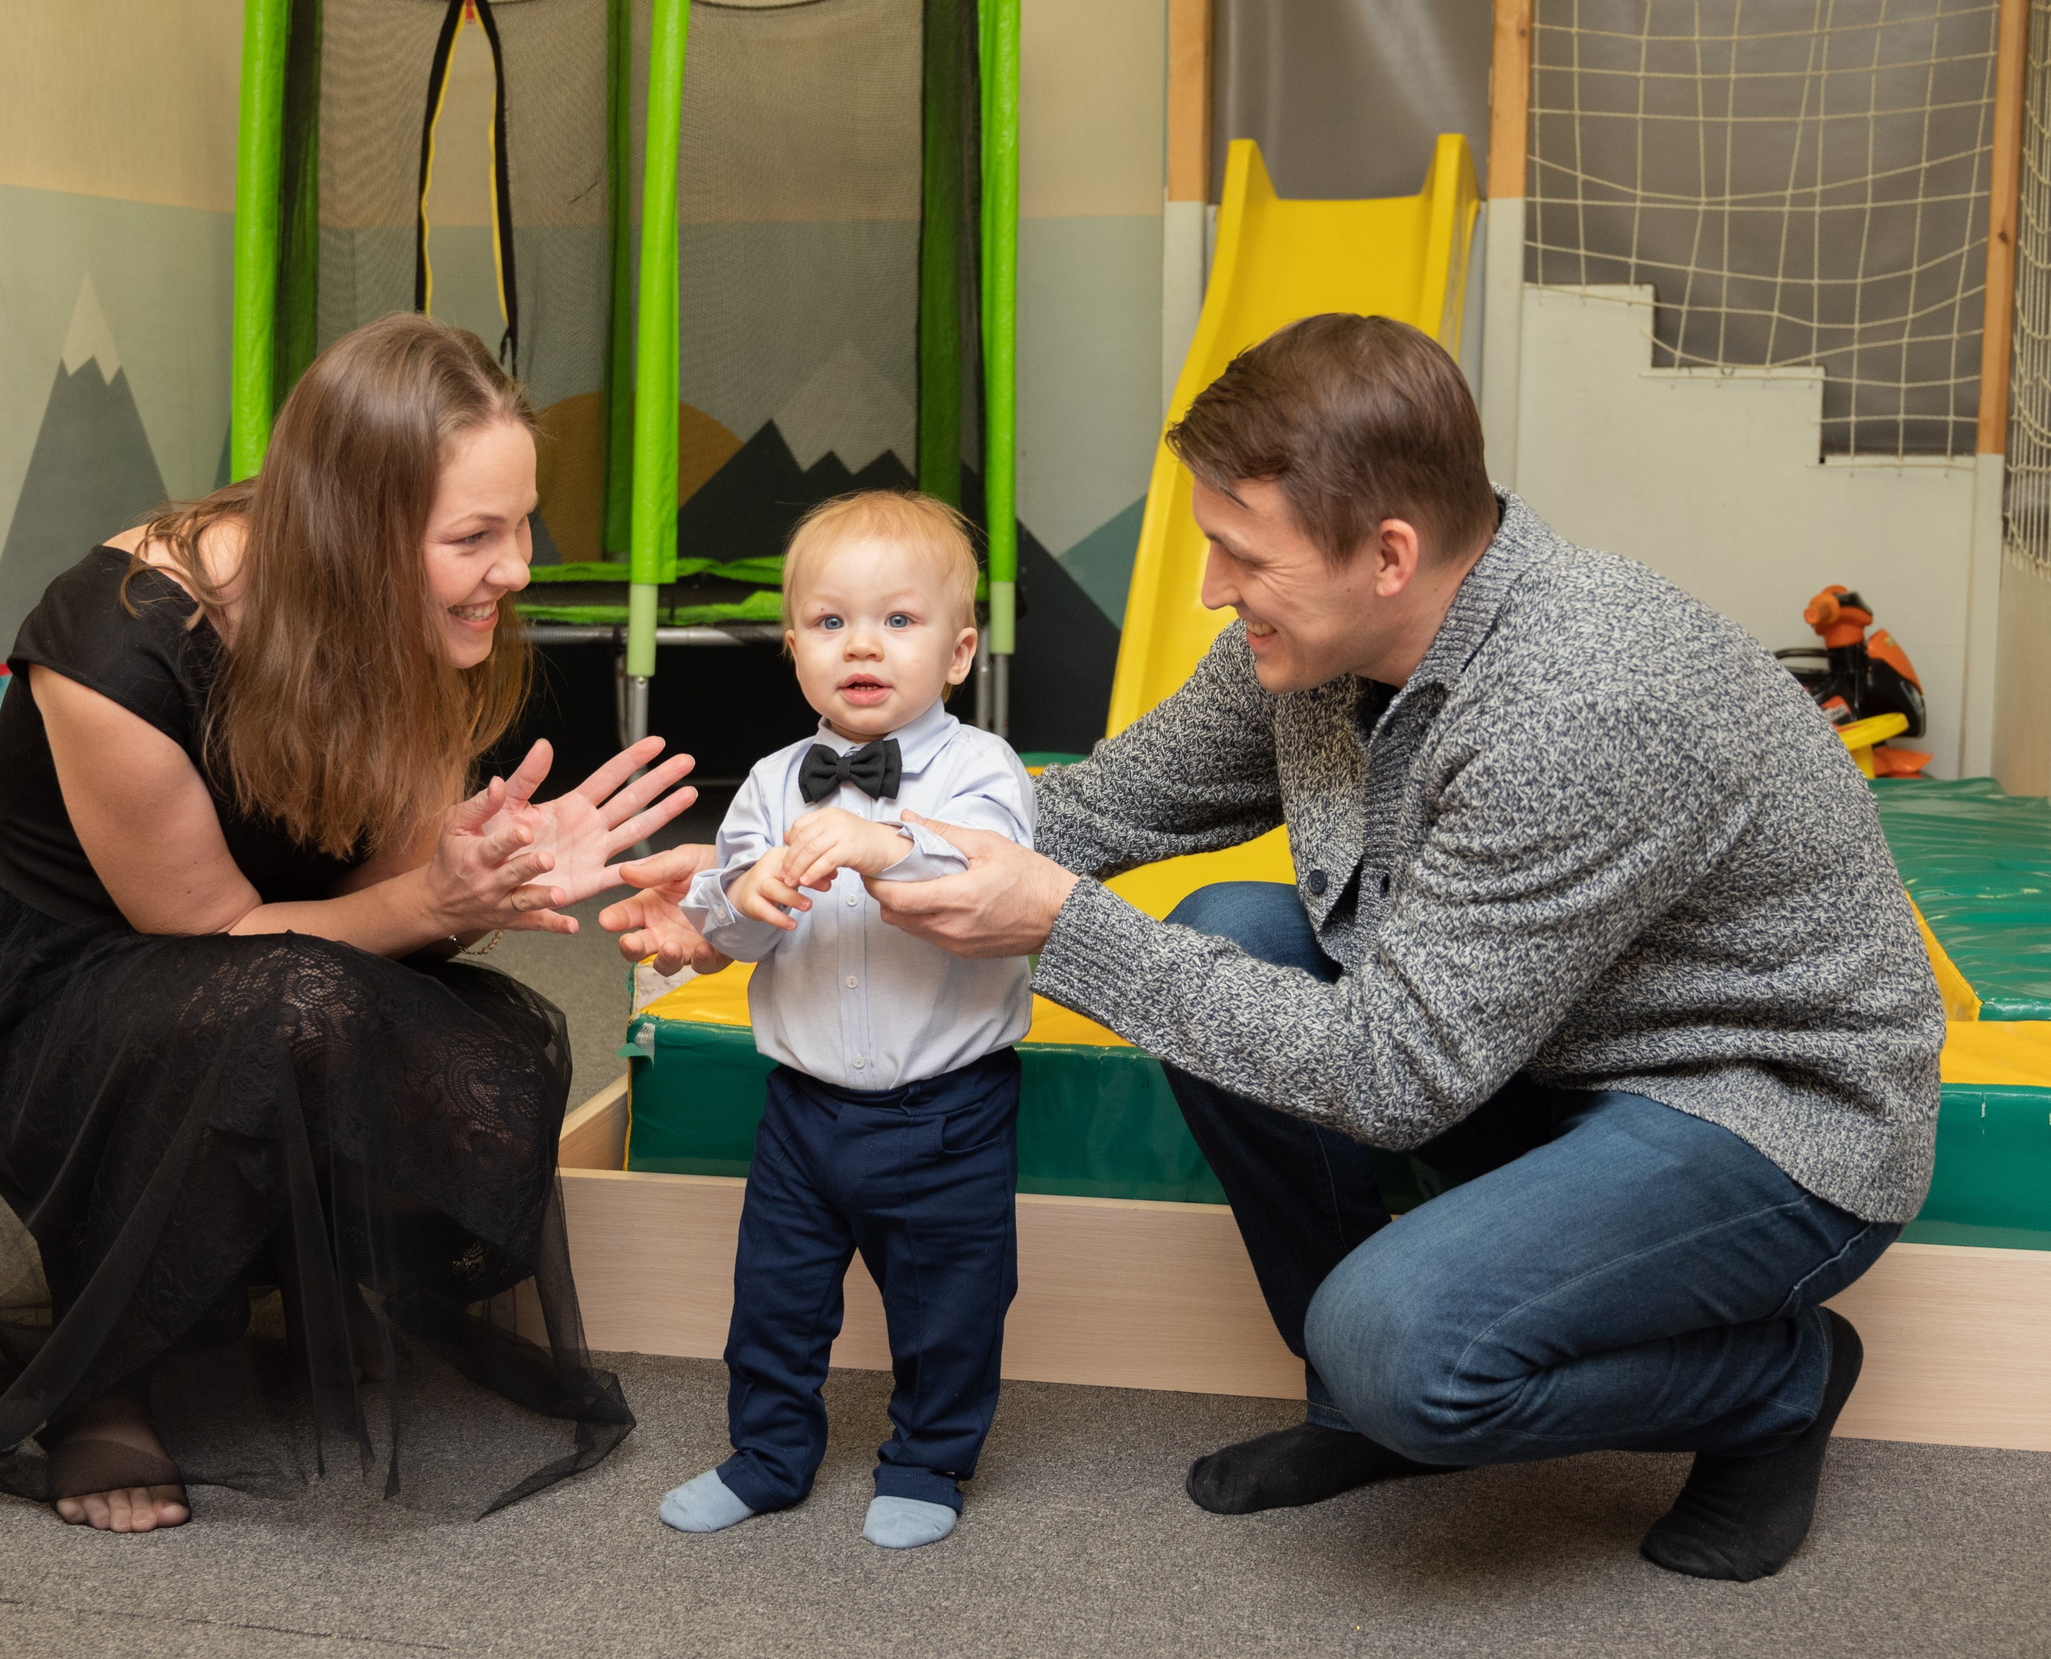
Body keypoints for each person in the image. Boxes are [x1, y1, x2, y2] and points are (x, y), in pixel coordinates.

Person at [602, 314, 1945, 1582]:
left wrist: (1060, 929)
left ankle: (1775, 1382)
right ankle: (1356, 1407)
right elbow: (1090, 811)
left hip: (1756, 1111)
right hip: (1539, 1048)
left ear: (1391, 555)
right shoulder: (1312, 647)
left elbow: (1397, 1077)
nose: (1206, 585)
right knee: (1228, 929)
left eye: (1242, 553)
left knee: (1404, 1347)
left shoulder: (1578, 708)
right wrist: (782, 861)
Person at [0, 314, 697, 1532]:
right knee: (298, 1006)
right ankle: (103, 1373)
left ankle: (258, 1254)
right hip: (81, 981)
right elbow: (212, 933)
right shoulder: (112, 644)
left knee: (471, 1062)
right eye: (474, 537)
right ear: (354, 534)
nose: (515, 568)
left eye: (522, 523)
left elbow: (391, 875)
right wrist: (434, 899)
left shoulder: (420, 613)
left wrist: (483, 865)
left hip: (286, 948)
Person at [655, 492, 1034, 1552]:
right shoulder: (773, 783)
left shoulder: (979, 769)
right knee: (772, 1300)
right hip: (803, 1109)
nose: (861, 643)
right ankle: (767, 1455)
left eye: (898, 621)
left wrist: (886, 842)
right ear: (792, 647)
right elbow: (726, 933)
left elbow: (989, 879)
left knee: (949, 1305)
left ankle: (927, 1456)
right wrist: (739, 900)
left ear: (958, 651)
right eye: (829, 622)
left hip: (946, 1109)